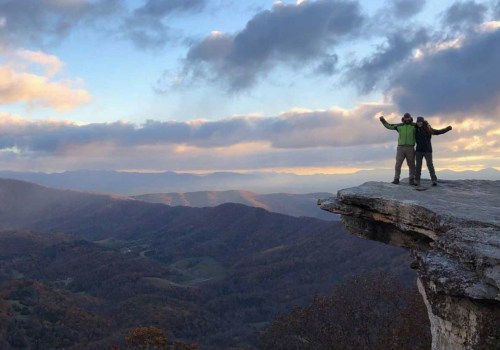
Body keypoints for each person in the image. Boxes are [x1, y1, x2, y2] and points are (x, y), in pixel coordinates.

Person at [414, 116, 452, 186]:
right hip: (419, 151)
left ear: (423, 122)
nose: (419, 123)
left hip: (427, 150)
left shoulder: (428, 129)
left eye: (420, 122)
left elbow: (438, 132)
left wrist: (447, 129)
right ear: (417, 122)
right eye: (418, 122)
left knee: (430, 165)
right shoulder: (415, 129)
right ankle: (417, 180)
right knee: (418, 166)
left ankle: (434, 180)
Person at [379, 113, 416, 185]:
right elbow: (389, 126)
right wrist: (382, 120)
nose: (407, 119)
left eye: (408, 118)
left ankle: (411, 179)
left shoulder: (414, 126)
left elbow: (422, 126)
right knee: (398, 164)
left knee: (411, 165)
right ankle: (396, 179)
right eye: (406, 118)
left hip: (410, 147)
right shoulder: (399, 126)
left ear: (410, 118)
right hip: (400, 148)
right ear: (404, 118)